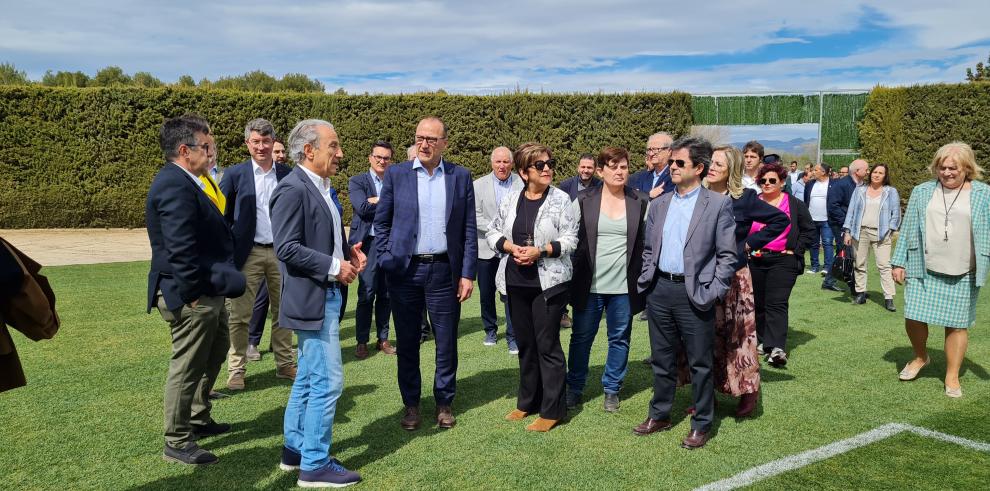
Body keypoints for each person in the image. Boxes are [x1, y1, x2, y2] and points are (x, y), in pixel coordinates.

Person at [146, 114, 245, 465]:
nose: (211, 151)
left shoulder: (191, 181)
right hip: (190, 294)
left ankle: (198, 416)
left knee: (216, 350)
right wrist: (192, 294)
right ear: (185, 150)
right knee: (188, 365)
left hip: (206, 291)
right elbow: (179, 248)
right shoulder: (175, 184)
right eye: (206, 146)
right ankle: (176, 439)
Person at [271, 119, 365, 486]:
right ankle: (315, 464)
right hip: (311, 298)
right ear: (309, 150)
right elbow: (287, 247)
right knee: (328, 383)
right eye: (333, 146)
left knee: (309, 379)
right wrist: (333, 266)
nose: (340, 154)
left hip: (323, 295)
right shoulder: (293, 188)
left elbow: (319, 238)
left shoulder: (322, 187)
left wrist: (348, 255)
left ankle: (295, 451)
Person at [374, 117, 477, 431]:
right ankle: (412, 405)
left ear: (444, 142)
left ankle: (444, 402)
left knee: (446, 342)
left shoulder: (460, 177)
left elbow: (469, 230)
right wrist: (386, 258)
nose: (424, 144)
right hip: (405, 271)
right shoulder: (397, 174)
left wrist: (467, 273)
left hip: (446, 271)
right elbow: (382, 223)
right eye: (420, 137)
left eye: (432, 138)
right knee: (407, 342)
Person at [634, 136, 736, 450]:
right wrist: (647, 280)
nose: (672, 167)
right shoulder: (660, 202)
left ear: (699, 168)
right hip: (659, 290)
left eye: (680, 163)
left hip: (696, 294)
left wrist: (713, 291)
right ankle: (660, 413)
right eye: (672, 161)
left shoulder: (718, 203)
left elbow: (728, 256)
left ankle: (702, 423)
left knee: (699, 362)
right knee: (662, 360)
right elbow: (649, 248)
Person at [487, 142, 578, 431]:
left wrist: (542, 251)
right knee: (526, 345)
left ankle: (553, 410)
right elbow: (492, 230)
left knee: (547, 345)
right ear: (525, 172)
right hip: (515, 282)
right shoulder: (511, 198)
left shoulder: (562, 200)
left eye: (550, 163)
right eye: (541, 165)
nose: (548, 168)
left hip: (548, 283)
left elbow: (571, 239)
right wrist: (509, 246)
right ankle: (527, 402)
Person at [696, 145, 789, 416]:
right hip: (703, 277)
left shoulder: (744, 198)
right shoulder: (697, 196)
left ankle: (748, 392)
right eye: (710, 162)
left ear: (732, 171)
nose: (711, 168)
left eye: (719, 165)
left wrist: (748, 244)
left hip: (735, 277)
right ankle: (706, 396)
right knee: (706, 336)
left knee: (739, 337)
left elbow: (779, 220)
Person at [892, 142, 989, 399]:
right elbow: (909, 226)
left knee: (956, 325)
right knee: (913, 316)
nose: (946, 172)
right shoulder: (922, 191)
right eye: (942, 167)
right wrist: (898, 262)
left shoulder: (982, 194)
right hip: (923, 267)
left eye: (953, 168)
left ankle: (952, 375)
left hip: (963, 271)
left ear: (967, 168)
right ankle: (921, 357)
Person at [566, 147, 648, 412]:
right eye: (613, 167)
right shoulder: (582, 199)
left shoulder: (640, 201)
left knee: (620, 338)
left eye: (623, 167)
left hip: (624, 287)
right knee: (581, 338)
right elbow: (568, 239)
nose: (619, 172)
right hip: (589, 286)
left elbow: (646, 244)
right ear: (600, 171)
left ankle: (612, 389)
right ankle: (574, 388)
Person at [219, 118, 295, 390]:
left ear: (273, 142)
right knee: (239, 315)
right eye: (256, 141)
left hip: (281, 253)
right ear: (247, 143)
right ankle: (236, 368)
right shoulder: (234, 175)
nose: (261, 147)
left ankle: (285, 364)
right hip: (247, 254)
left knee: (284, 311)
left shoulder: (288, 174)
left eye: (266, 141)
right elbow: (223, 218)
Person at [749, 163, 815, 368]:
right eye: (763, 181)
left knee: (776, 302)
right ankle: (762, 342)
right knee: (758, 303)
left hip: (783, 260)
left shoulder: (794, 204)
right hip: (754, 259)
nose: (767, 184)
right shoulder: (752, 202)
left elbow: (809, 230)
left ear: (782, 182)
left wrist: (795, 249)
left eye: (772, 180)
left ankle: (776, 347)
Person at [348, 141, 397, 359]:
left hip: (390, 243)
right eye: (378, 156)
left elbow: (402, 207)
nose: (381, 161)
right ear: (370, 157)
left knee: (386, 293)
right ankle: (361, 341)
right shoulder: (357, 181)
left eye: (386, 158)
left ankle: (383, 339)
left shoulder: (395, 181)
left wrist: (378, 200)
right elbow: (363, 208)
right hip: (366, 244)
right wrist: (386, 202)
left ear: (390, 160)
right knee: (366, 293)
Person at [474, 146, 523, 353]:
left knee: (511, 293)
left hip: (512, 248)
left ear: (512, 163)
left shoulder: (522, 183)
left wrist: (507, 235)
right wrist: (498, 231)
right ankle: (490, 330)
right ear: (491, 163)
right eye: (498, 162)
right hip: (485, 248)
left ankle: (513, 336)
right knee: (486, 293)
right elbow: (475, 215)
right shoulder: (477, 185)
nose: (502, 166)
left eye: (506, 162)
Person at [842, 163, 901, 311]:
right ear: (870, 173)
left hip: (881, 234)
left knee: (884, 265)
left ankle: (888, 298)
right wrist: (848, 231)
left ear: (885, 176)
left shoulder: (890, 192)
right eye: (875, 172)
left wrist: (890, 230)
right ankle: (860, 293)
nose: (876, 175)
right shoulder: (860, 190)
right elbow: (851, 211)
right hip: (859, 232)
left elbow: (896, 213)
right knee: (859, 264)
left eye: (880, 173)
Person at [823, 159, 868, 293]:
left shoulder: (863, 185)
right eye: (866, 169)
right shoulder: (841, 184)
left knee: (844, 251)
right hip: (840, 224)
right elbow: (833, 206)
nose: (868, 172)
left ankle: (829, 280)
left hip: (854, 224)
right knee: (848, 252)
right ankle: (854, 286)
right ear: (857, 171)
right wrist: (846, 223)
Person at [804, 163, 834, 275]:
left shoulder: (833, 184)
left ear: (823, 172)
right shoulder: (810, 184)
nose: (812, 172)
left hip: (827, 219)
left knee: (827, 243)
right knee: (813, 243)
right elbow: (806, 200)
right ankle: (814, 266)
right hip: (811, 219)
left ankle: (827, 267)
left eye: (815, 170)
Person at [632, 132, 674, 199]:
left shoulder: (674, 176)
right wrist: (649, 195)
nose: (651, 154)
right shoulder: (642, 177)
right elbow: (635, 200)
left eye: (655, 149)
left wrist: (644, 196)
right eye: (649, 150)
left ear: (669, 151)